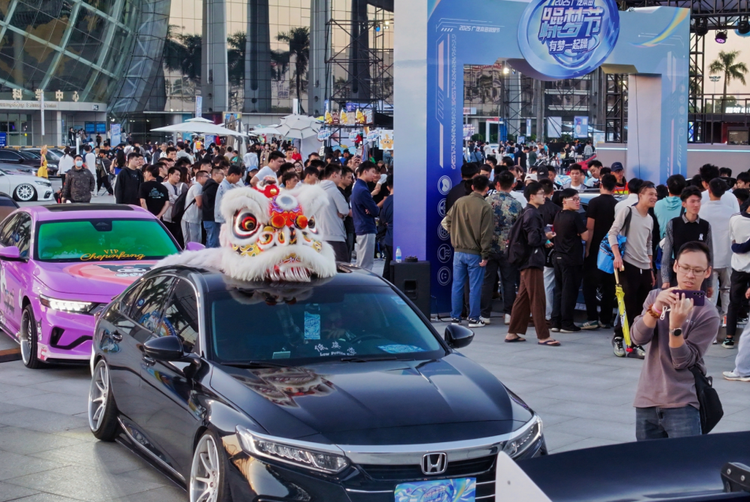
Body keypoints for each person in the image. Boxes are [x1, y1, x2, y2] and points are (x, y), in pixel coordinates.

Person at [631, 241, 720, 440]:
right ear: (676, 266)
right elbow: (637, 338)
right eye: (685, 268)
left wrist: (676, 327)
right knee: (647, 460)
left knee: (685, 459)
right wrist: (655, 310)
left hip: (683, 402)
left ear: (707, 272)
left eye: (697, 270)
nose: (690, 275)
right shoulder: (656, 296)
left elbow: (682, 361)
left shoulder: (708, 314)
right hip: (647, 398)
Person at [506, 181, 560, 345]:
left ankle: (513, 332)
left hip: (526, 260)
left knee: (523, 298)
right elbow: (533, 239)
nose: (544, 196)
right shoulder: (532, 214)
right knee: (538, 298)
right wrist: (546, 237)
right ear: (532, 196)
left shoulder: (528, 212)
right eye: (541, 193)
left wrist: (543, 239)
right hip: (532, 260)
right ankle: (543, 335)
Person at [608, 182, 657, 357]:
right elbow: (612, 233)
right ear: (641, 195)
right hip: (627, 264)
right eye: (650, 194)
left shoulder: (650, 219)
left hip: (644, 267)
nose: (654, 197)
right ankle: (619, 338)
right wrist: (617, 256)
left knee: (641, 308)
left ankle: (635, 342)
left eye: (655, 195)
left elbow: (649, 244)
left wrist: (651, 269)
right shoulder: (627, 211)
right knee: (627, 306)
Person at [442, 175, 493, 328]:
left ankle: (455, 317)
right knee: (475, 287)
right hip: (475, 252)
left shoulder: (459, 202)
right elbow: (486, 234)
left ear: (472, 187)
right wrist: (485, 254)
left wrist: (454, 233)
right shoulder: (485, 207)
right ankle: (474, 318)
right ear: (487, 189)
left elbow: (446, 221)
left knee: (457, 285)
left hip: (458, 251)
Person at [480, 171, 522, 325]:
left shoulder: (487, 201)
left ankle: (485, 314)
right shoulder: (516, 204)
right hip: (508, 248)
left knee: (487, 281)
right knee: (508, 282)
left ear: (497, 184)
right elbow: (519, 228)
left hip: (488, 247)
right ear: (512, 185)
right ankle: (509, 313)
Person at [582, 174, 618, 330]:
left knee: (589, 285)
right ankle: (606, 319)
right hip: (611, 249)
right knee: (609, 286)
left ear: (601, 185)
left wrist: (587, 248)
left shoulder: (594, 202)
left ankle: (592, 318)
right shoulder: (617, 205)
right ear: (615, 187)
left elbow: (590, 227)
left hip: (596, 248)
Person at [550, 189, 589, 332]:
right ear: (564, 200)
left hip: (558, 257)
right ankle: (566, 323)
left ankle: (555, 322)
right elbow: (585, 236)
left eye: (578, 199)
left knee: (559, 291)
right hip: (571, 259)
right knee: (569, 292)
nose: (578, 202)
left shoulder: (558, 215)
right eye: (574, 199)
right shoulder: (575, 216)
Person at [660, 186, 712, 290]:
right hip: (679, 273)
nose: (696, 205)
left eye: (698, 201)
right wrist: (665, 279)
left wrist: (709, 283)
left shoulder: (705, 226)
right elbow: (667, 254)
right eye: (692, 201)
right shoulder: (674, 224)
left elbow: (709, 254)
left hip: (698, 276)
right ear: (684, 204)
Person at [700, 178, 732, 325]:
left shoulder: (702, 210)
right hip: (728, 257)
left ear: (709, 190)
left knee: (710, 292)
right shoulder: (732, 212)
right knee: (727, 290)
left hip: (709, 258)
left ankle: (710, 323)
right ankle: (726, 320)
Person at [725, 201, 750, 348]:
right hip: (743, 268)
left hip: (738, 268)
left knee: (733, 303)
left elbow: (734, 243)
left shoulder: (734, 218)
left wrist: (737, 246)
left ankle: (729, 337)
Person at [318, 164, 351, 263]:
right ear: (334, 174)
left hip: (320, 235)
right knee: (342, 265)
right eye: (340, 175)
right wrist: (343, 214)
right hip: (335, 234)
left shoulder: (317, 190)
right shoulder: (334, 190)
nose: (341, 178)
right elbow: (344, 210)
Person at [351, 162, 380, 271]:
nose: (374, 175)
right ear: (365, 172)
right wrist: (372, 208)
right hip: (366, 228)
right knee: (365, 266)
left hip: (361, 227)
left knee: (361, 263)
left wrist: (371, 208)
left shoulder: (358, 187)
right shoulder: (362, 190)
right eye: (372, 172)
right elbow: (375, 210)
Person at [654, 174, 687, 239]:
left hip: (663, 242)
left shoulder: (657, 204)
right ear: (684, 189)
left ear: (667, 188)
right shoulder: (687, 205)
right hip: (681, 242)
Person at [161, 167, 187, 246]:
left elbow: (179, 201)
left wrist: (175, 197)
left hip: (175, 216)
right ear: (170, 175)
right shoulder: (164, 185)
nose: (178, 177)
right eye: (176, 175)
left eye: (179, 175)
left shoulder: (178, 188)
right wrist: (177, 199)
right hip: (166, 216)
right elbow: (169, 199)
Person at [182, 170, 207, 245]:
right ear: (200, 177)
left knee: (196, 242)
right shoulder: (197, 187)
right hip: (190, 219)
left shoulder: (200, 187)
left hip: (195, 219)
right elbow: (199, 203)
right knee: (191, 242)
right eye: (206, 176)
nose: (208, 178)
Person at [202, 168, 224, 248]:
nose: (223, 177)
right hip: (212, 218)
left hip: (207, 218)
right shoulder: (214, 187)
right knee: (213, 242)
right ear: (215, 174)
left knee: (210, 240)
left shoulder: (207, 185)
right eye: (222, 174)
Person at [380, 176, 395, 281]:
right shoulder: (402, 200)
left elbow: (383, 219)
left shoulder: (386, 201)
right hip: (399, 238)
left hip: (389, 238)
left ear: (388, 187)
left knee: (388, 267)